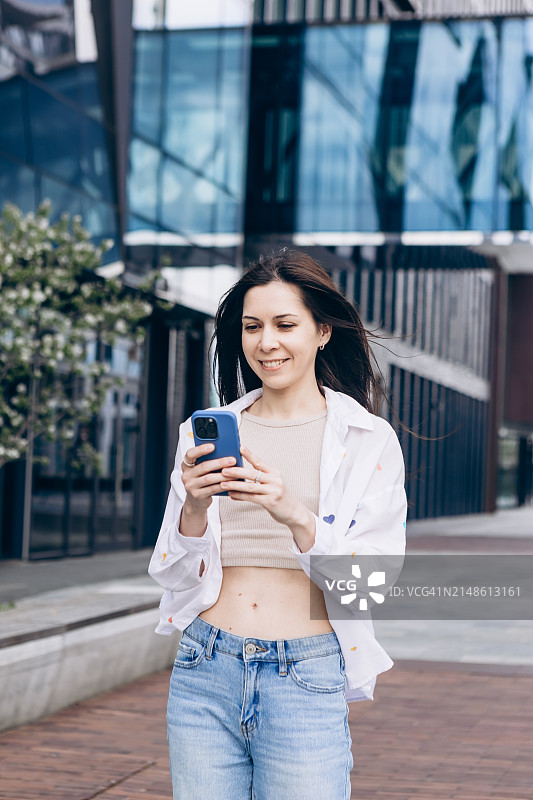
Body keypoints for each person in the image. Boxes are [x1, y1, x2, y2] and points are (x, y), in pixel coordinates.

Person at [148, 248, 407, 800]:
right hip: (204, 666)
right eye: (252, 326)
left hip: (306, 674)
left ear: (321, 332)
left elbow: (372, 586)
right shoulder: (205, 433)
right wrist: (194, 508)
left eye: (285, 324)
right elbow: (171, 576)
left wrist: (295, 514)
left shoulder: (367, 440)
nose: (267, 342)